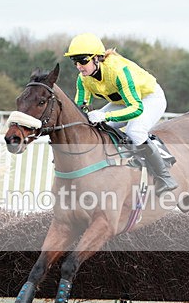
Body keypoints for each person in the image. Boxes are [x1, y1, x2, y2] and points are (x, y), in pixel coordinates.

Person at [63, 33, 177, 195]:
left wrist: (105, 116)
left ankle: (165, 177)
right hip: (123, 102)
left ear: (97, 58)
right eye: (75, 62)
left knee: (134, 131)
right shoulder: (83, 79)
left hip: (149, 98)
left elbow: (136, 108)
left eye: (83, 60)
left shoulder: (118, 71)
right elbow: (80, 107)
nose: (79, 66)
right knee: (94, 127)